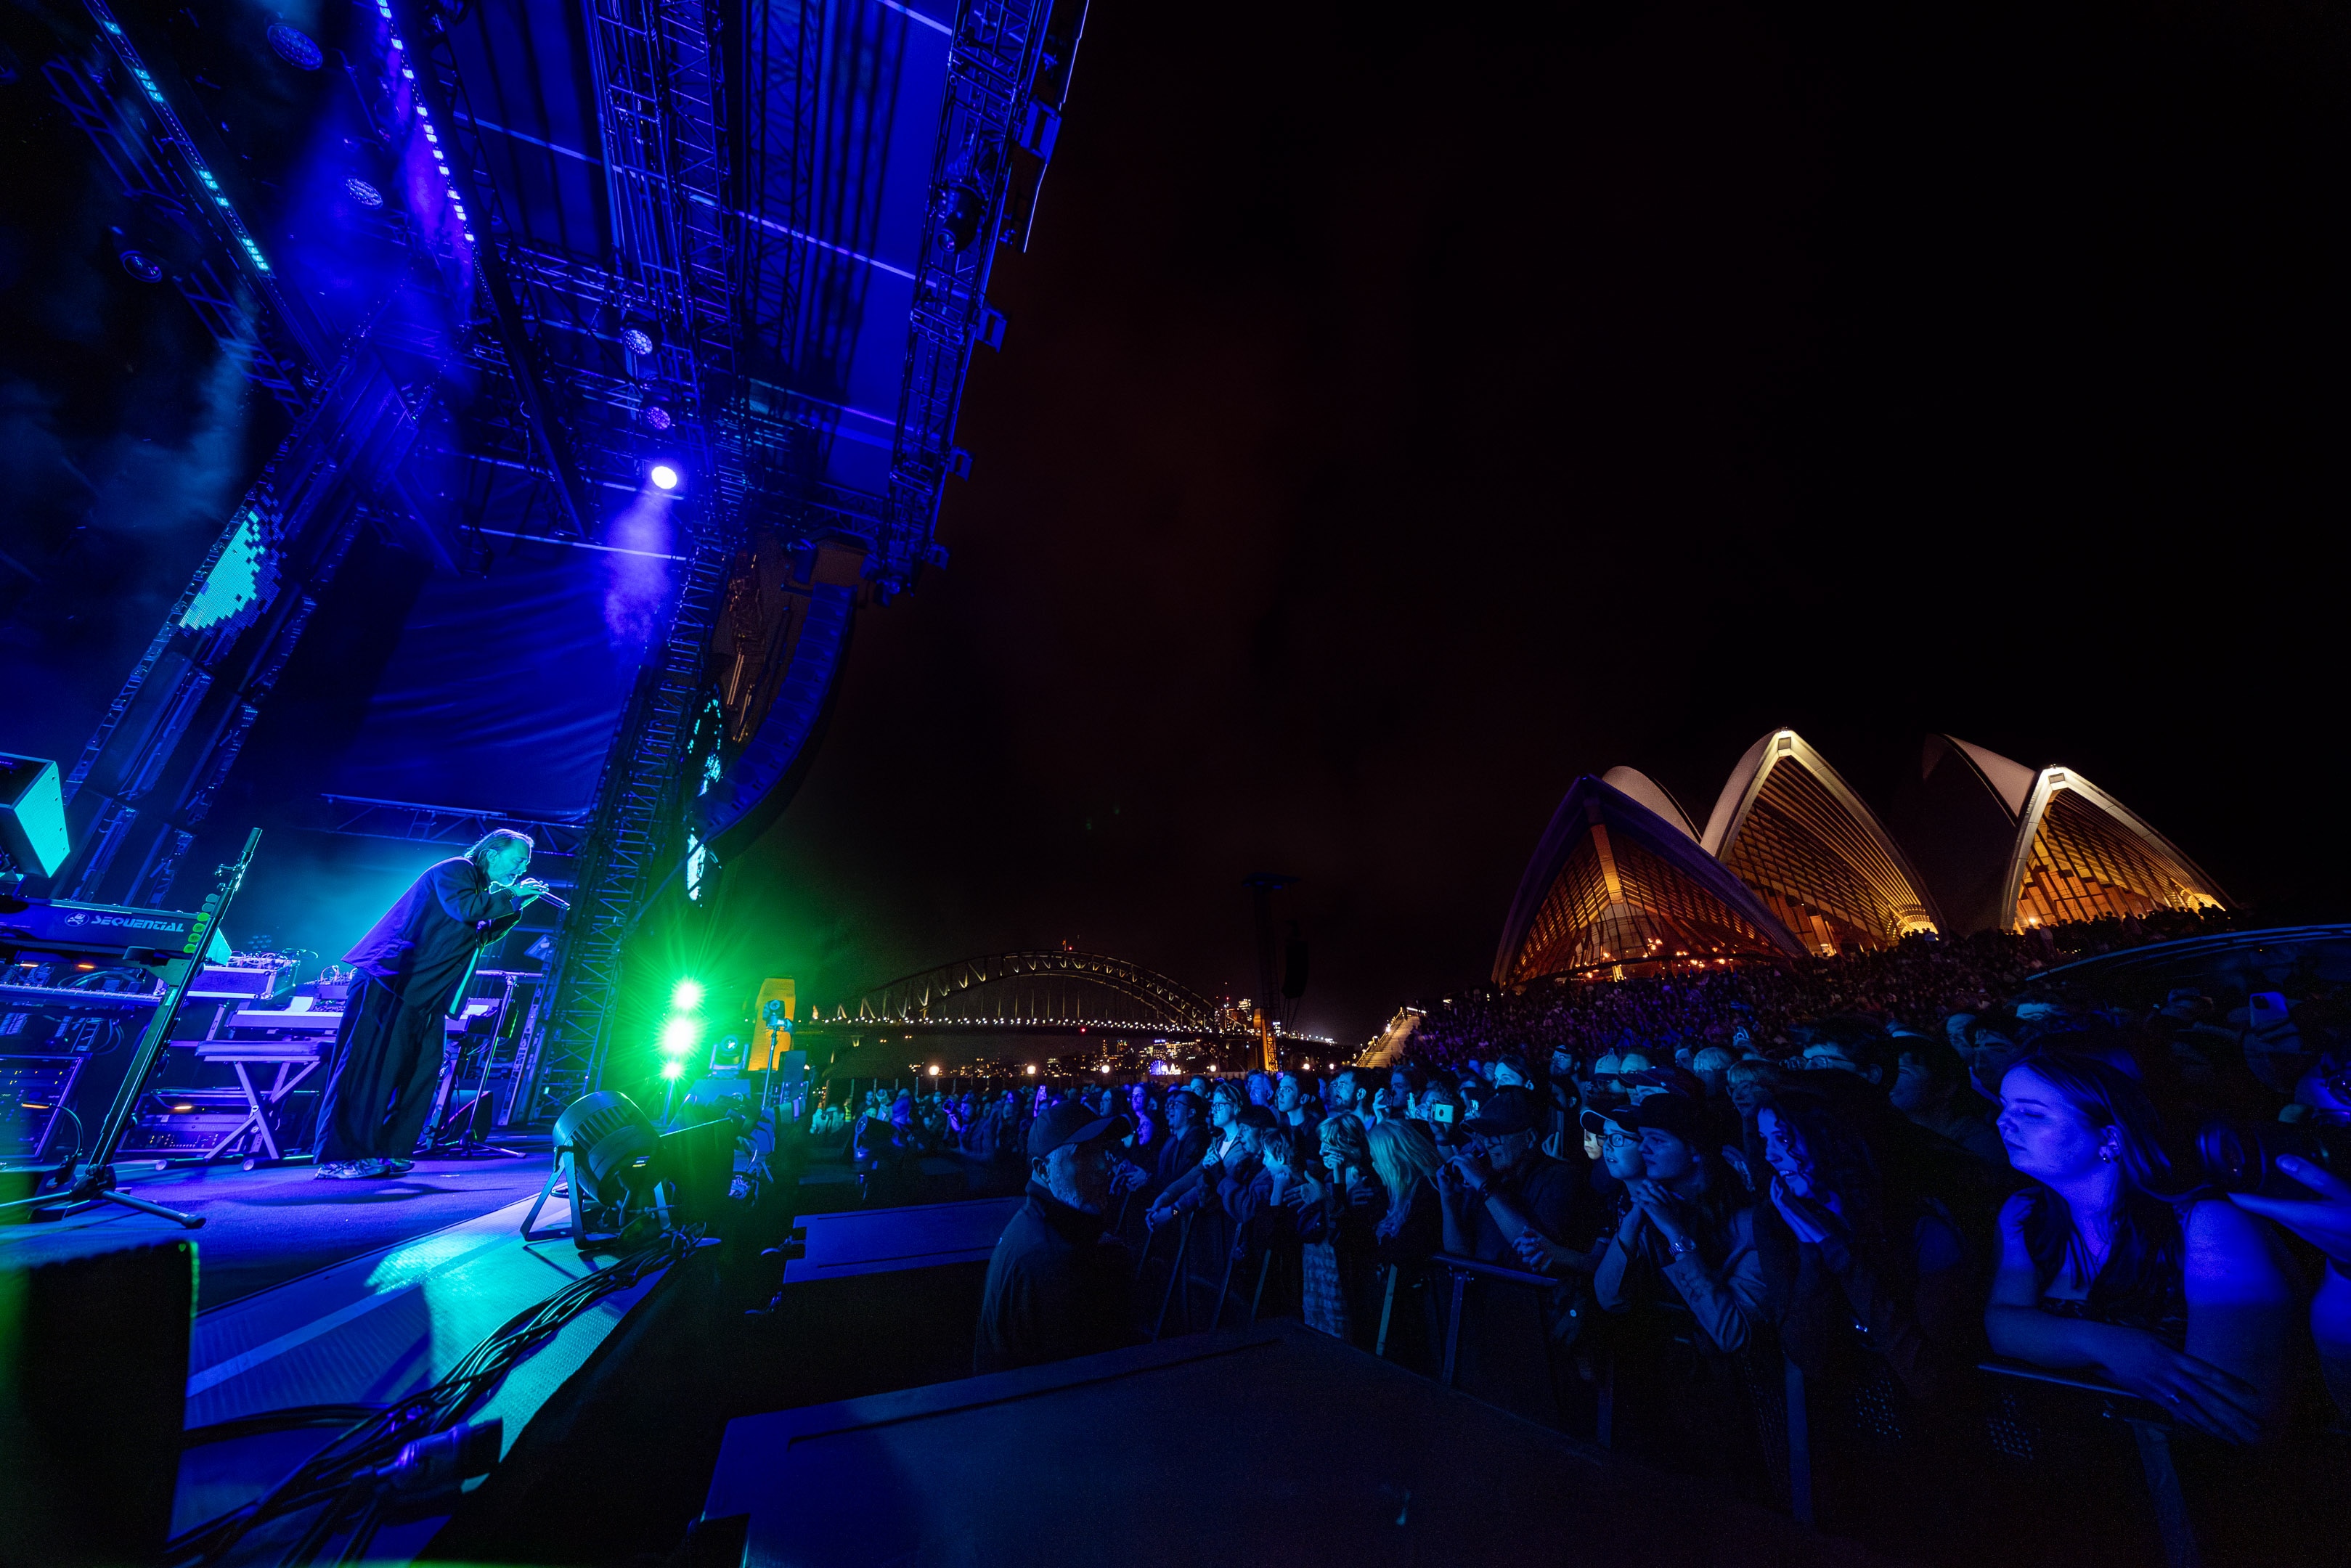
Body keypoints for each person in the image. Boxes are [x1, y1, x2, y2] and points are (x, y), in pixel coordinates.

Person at [1985, 1051, 2297, 1444]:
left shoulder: (2206, 1224)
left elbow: (2230, 1414)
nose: (2001, 1122)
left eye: (2031, 1113)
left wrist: (2054, 1344)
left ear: (2109, 1139)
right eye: (2003, 1106)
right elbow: (2001, 1324)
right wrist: (2110, 1346)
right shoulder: (2026, 1213)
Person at [313, 829, 548, 1178]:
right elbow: (465, 910)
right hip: (390, 980)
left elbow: (478, 934)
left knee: (420, 1071)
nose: (521, 869)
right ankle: (341, 1158)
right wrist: (512, 895)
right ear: (492, 854)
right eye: (518, 861)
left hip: (423, 993)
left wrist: (517, 905)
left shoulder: (481, 888)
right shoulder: (456, 870)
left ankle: (388, 1149)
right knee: (368, 1067)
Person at [973, 1099, 1138, 1375]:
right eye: (1083, 1154)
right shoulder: (1051, 1259)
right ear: (1043, 1170)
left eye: (1103, 1150)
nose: (1103, 1166)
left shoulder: (1038, 1226)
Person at [1593, 1092, 1765, 1354]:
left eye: (1657, 1140)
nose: (1643, 1148)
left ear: (1695, 1150)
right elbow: (1609, 1298)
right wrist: (1635, 1216)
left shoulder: (1749, 1225)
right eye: (1643, 1137)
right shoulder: (1659, 1210)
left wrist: (1675, 1233)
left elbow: (1733, 1335)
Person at [1888, 1033, 2005, 1164]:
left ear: (1947, 1086)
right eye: (1889, 1070)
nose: (1889, 1079)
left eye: (1903, 1070)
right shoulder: (1896, 1136)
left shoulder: (1981, 1144)